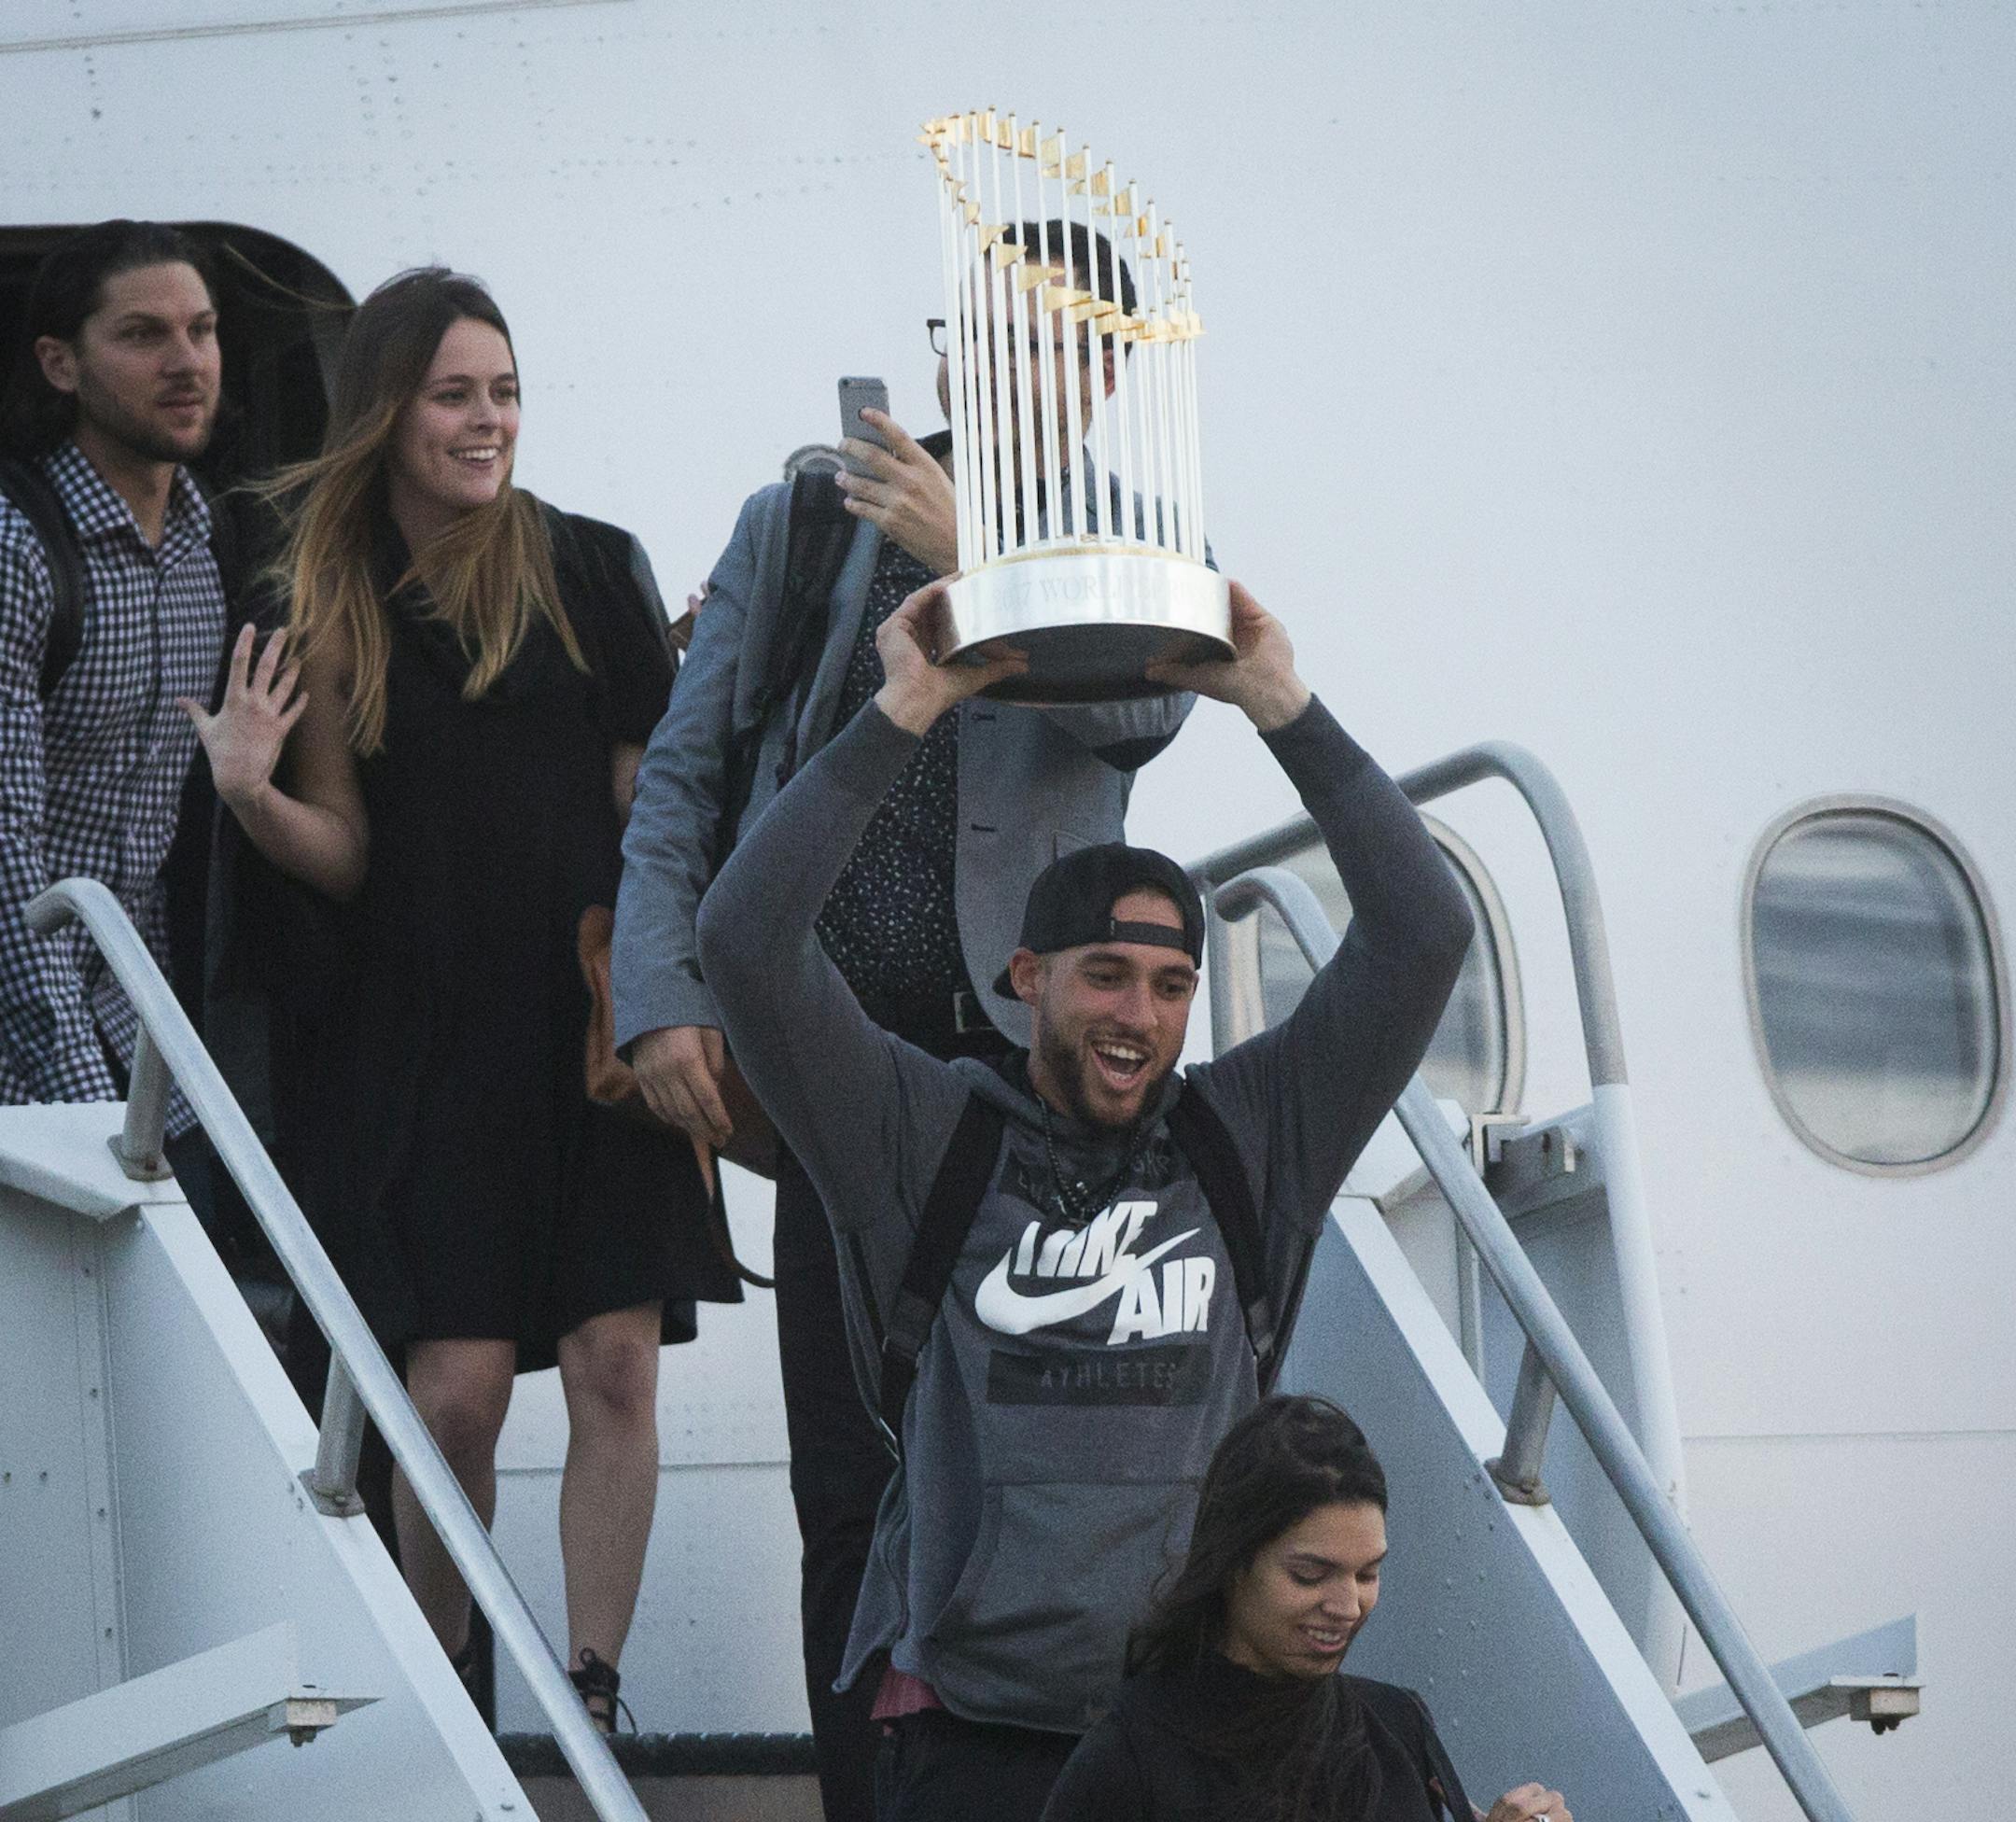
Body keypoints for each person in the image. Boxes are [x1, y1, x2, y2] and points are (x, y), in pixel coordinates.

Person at [695, 577, 1475, 1821]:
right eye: (1104, 977)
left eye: (1171, 986)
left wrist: (1279, 702)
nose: (1140, 1017)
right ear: (1026, 980)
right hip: (970, 1740)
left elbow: (1424, 933)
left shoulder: (1250, 1133)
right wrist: (903, 711)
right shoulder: (921, 1131)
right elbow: (742, 940)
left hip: (1194, 1740)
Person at [613, 219, 1192, 1817]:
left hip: (1031, 1082)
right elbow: (685, 775)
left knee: (1042, 1470)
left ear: (1105, 371)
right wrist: (660, 991)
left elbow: (1141, 709)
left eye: (1055, 338)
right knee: (850, 1476)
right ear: (948, 350)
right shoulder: (808, 516)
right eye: (985, 330)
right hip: (834, 1066)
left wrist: (981, 551)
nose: (1009, 362)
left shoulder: (1131, 539)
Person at [186, 266, 736, 1731]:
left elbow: (650, 802)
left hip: (580, 1023)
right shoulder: (312, 594)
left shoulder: (589, 567)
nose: (486, 420)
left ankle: (594, 1689)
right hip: (426, 1048)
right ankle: (441, 1703)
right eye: (453, 393)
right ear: (386, 409)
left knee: (617, 1363)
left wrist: (666, 975)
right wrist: (248, 796)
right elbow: (348, 849)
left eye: (502, 391)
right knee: (452, 1401)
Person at [1041, 1395, 1574, 1822]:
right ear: (1231, 1562)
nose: (1347, 1606)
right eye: (1310, 1575)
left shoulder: (1395, 1725)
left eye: (1367, 1574)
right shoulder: (1131, 1758)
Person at [0, 220, 226, 1179]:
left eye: (203, 330)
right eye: (143, 335)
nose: (187, 363)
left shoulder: (208, 547)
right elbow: (9, 850)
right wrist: (87, 1093)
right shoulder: (18, 548)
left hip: (149, 1043)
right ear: (61, 362)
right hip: (34, 1065)